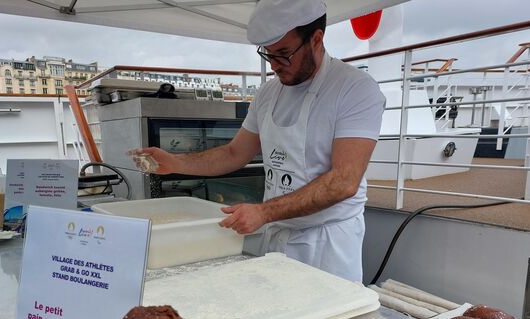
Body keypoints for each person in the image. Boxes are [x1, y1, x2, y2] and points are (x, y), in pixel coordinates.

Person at [131, 0, 385, 282]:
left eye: (284, 54)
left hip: (327, 244)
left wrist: (264, 211)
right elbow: (233, 153)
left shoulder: (354, 89)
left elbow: (344, 181)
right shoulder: (268, 94)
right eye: (269, 55)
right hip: (276, 237)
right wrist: (175, 162)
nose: (275, 65)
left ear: (316, 39)